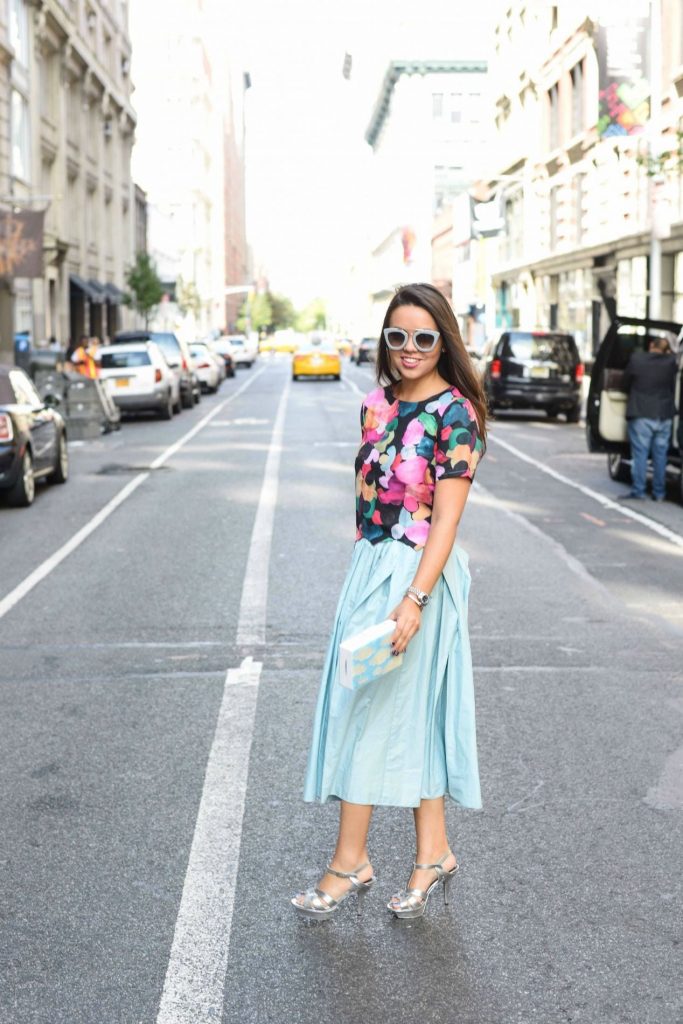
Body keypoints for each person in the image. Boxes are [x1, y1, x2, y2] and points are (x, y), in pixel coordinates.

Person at [292, 283, 487, 921]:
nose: (409, 349)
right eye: (397, 336)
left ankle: (350, 861)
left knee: (367, 711)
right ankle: (432, 852)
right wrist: (370, 574)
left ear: (444, 343)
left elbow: (447, 522)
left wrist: (414, 598)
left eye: (424, 338)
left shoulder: (456, 415)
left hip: (417, 577)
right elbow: (365, 500)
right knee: (405, 713)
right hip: (373, 567)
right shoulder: (375, 405)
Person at [621, 336, 677, 502]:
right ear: (666, 349)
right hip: (664, 414)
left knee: (640, 454)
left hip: (641, 412)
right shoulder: (671, 362)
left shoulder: (637, 359)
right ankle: (659, 493)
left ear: (651, 345)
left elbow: (625, 383)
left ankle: (639, 490)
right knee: (661, 456)